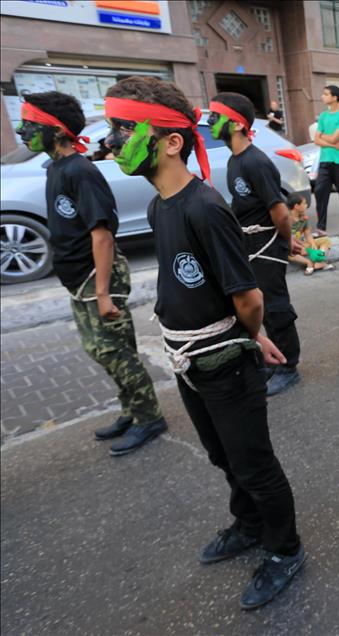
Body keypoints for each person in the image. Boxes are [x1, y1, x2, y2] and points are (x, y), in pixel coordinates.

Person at [103, 76, 305, 610]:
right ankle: (248, 523)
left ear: (171, 141)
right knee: (222, 454)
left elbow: (248, 296)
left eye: (123, 129)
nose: (111, 141)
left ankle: (285, 549)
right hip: (190, 361)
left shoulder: (204, 207)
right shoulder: (159, 207)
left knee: (253, 462)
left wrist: (252, 338)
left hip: (226, 363)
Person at [17, 91, 166, 457]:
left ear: (56, 130)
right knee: (101, 350)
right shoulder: (55, 168)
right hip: (78, 278)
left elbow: (102, 235)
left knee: (115, 351)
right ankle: (131, 409)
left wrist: (102, 293)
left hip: (96, 276)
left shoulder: (81, 172)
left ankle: (149, 417)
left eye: (30, 124)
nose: (22, 131)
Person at [209, 91, 303, 397]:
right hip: (249, 245)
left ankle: (288, 367)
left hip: (267, 244)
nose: (210, 122)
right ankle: (272, 360)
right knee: (257, 307)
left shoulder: (255, 161)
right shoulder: (235, 160)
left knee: (275, 307)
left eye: (216, 116)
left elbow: (280, 211)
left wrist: (287, 242)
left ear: (237, 124)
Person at [313, 85, 339, 237]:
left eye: (326, 94)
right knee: (320, 193)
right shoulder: (323, 116)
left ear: (335, 97)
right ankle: (321, 228)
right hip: (325, 161)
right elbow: (316, 140)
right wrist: (333, 144)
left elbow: (334, 137)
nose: (322, 96)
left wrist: (324, 137)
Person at [287, 193, 335, 275]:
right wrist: (301, 247)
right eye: (304, 203)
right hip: (290, 246)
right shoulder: (286, 218)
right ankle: (309, 263)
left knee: (326, 240)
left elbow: (308, 234)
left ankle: (318, 261)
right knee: (288, 253)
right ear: (296, 206)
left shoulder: (303, 217)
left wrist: (312, 244)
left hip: (302, 245)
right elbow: (289, 238)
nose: (306, 205)